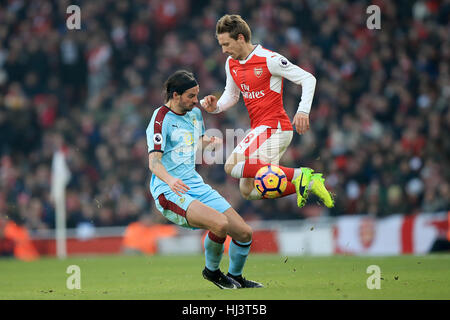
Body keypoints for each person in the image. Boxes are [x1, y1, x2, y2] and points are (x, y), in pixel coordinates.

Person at [201, 14, 334, 209]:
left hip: (275, 127)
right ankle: (310, 183)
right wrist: (216, 107)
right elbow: (232, 95)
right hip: (261, 131)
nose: (224, 50)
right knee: (248, 191)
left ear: (240, 38)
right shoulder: (231, 63)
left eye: (226, 44)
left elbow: (308, 79)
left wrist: (303, 111)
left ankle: (300, 175)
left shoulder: (269, 59)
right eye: (221, 45)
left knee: (230, 165)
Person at [146, 70, 263, 289]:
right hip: (169, 190)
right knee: (219, 224)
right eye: (190, 96)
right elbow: (154, 163)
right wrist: (170, 181)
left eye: (196, 95)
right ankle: (212, 272)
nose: (195, 100)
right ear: (176, 95)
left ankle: (236, 276)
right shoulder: (160, 119)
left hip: (194, 184)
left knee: (245, 233)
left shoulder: (195, 114)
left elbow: (193, 142)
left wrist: (206, 142)